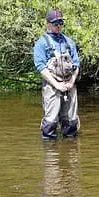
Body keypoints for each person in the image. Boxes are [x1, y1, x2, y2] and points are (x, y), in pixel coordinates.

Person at [32, 9, 80, 140]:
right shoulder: (41, 43)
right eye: (55, 23)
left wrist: (71, 82)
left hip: (70, 85)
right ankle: (50, 153)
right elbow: (41, 67)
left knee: (71, 121)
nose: (58, 26)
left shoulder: (69, 42)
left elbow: (76, 64)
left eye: (60, 23)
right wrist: (57, 85)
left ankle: (70, 150)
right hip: (51, 86)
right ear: (47, 24)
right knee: (51, 121)